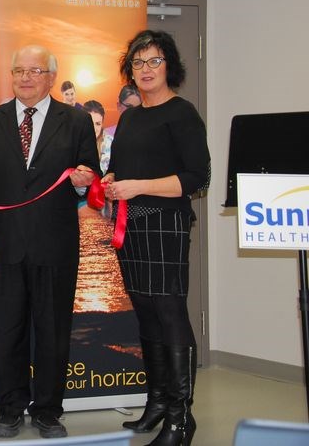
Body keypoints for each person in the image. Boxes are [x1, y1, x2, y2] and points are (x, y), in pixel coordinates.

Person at [0, 44, 99, 439]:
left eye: (34, 71)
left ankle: (48, 410)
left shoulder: (74, 121)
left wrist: (85, 178)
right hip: (4, 246)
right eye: (18, 70)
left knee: (54, 331)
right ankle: (8, 407)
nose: (24, 77)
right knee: (9, 329)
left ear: (51, 77)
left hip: (56, 246)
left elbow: (91, 170)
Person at [102, 30, 209, 446]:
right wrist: (113, 181)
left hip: (166, 226)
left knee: (170, 315)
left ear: (170, 67)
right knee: (145, 316)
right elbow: (126, 171)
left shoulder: (182, 113)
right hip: (131, 228)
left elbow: (198, 178)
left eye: (154, 61)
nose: (145, 70)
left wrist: (137, 186)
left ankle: (182, 418)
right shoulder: (130, 117)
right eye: (138, 62)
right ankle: (158, 402)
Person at [82, 100, 113, 175]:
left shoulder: (110, 143)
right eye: (90, 123)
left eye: (98, 124)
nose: (94, 128)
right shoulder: (72, 140)